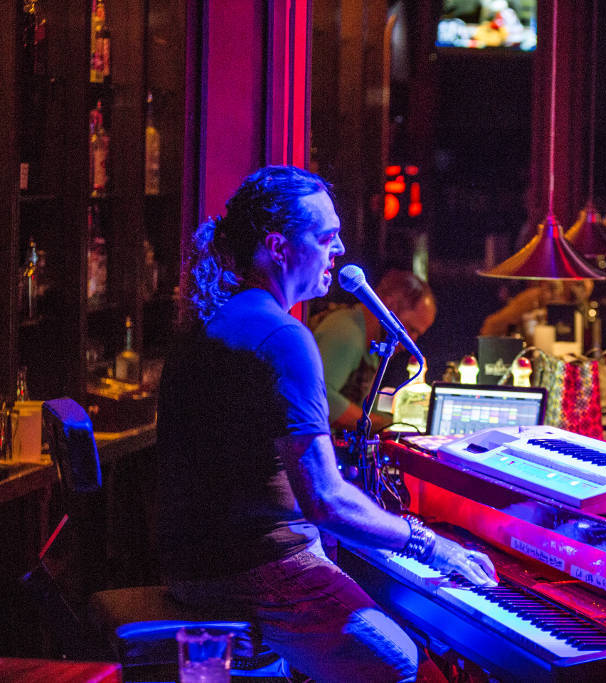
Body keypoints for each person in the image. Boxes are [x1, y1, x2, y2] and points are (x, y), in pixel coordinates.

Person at [156, 166, 495, 683]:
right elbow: (325, 501)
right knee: (403, 662)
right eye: (327, 238)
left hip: (193, 566)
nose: (339, 253)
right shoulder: (284, 337)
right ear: (279, 247)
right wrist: (430, 544)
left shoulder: (211, 318)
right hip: (258, 572)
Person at [314, 270, 436, 433]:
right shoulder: (347, 332)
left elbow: (356, 399)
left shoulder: (368, 338)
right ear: (390, 306)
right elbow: (321, 397)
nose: (411, 340)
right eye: (411, 329)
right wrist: (384, 426)